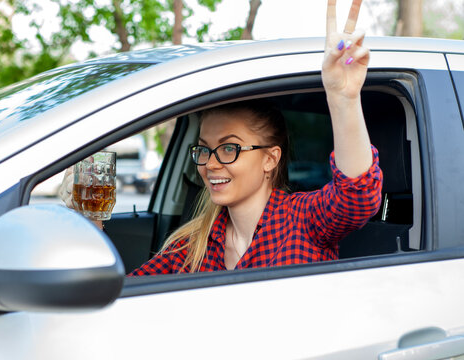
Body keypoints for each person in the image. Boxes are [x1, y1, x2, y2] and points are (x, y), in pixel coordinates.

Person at [61, 0, 383, 275]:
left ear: (270, 158)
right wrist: (88, 220)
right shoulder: (192, 245)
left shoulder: (304, 220)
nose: (211, 164)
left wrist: (343, 99)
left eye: (229, 148)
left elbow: (358, 196)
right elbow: (125, 298)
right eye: (204, 149)